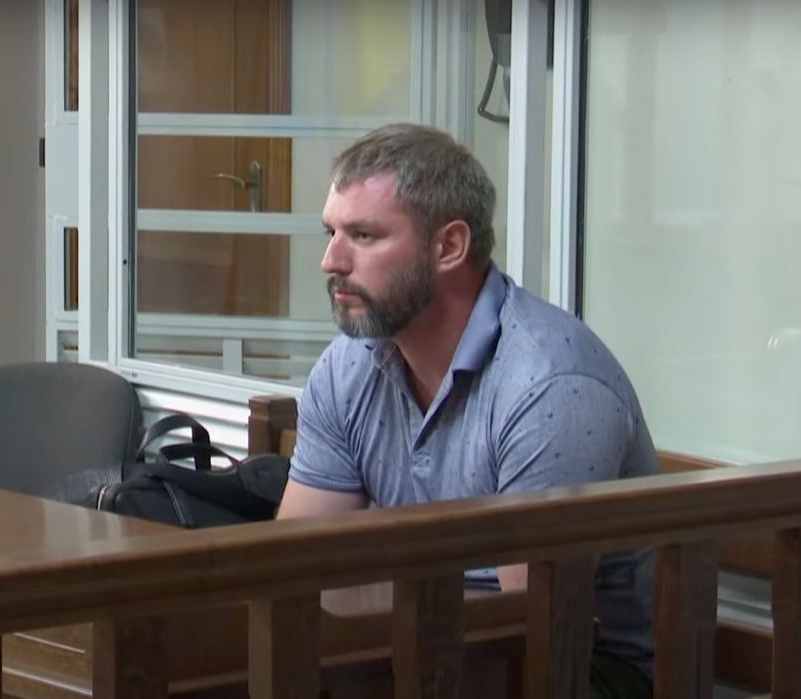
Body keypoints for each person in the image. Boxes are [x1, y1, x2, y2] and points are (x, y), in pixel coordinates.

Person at [277, 123, 658, 698]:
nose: (332, 261)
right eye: (331, 233)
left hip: (581, 668)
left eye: (364, 235)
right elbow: (298, 566)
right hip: (420, 640)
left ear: (449, 247)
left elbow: (531, 627)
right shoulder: (348, 364)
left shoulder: (549, 385)